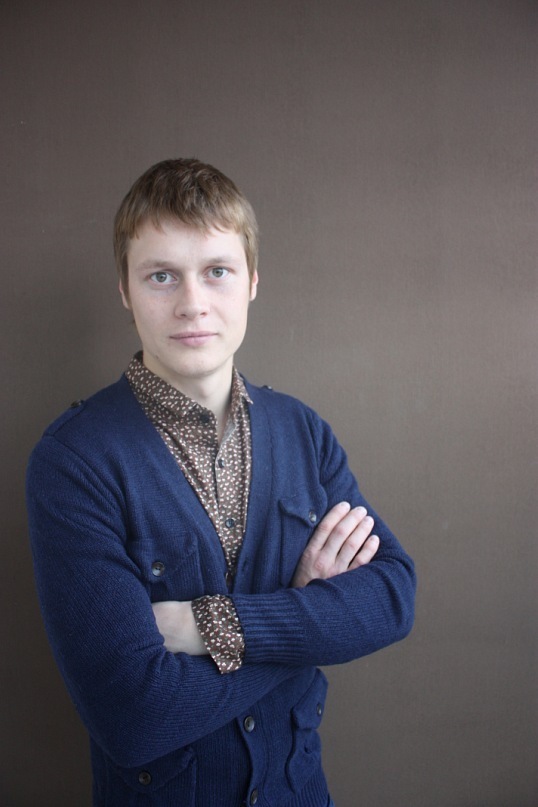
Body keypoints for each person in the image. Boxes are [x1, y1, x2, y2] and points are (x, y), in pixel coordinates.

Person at [26, 158, 416, 807]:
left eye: (217, 271)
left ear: (252, 281)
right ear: (125, 290)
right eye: (161, 276)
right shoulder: (73, 462)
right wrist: (306, 618)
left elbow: (392, 596)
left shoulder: (302, 430)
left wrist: (212, 625)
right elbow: (134, 718)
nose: (192, 303)